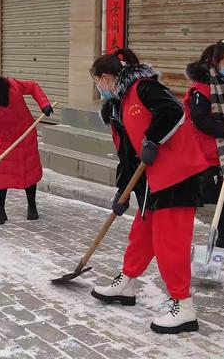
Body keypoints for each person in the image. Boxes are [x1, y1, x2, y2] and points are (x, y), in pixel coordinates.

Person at [89, 48, 208, 335]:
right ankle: (127, 284)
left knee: (170, 244)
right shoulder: (120, 104)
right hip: (151, 183)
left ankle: (184, 306)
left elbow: (173, 110)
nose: (98, 87)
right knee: (141, 236)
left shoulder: (142, 88)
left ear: (106, 77)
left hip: (175, 178)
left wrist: (153, 140)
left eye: (97, 81)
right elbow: (128, 155)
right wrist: (124, 193)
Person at [185, 39, 224, 259]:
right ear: (216, 62)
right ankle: (181, 238)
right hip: (205, 152)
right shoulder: (202, 87)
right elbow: (199, 120)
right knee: (195, 198)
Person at [0, 73, 53, 226]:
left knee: (29, 171)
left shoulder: (13, 86)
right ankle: (0, 210)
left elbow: (33, 86)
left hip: (25, 134)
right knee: (1, 175)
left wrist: (44, 104)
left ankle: (32, 206)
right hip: (4, 141)